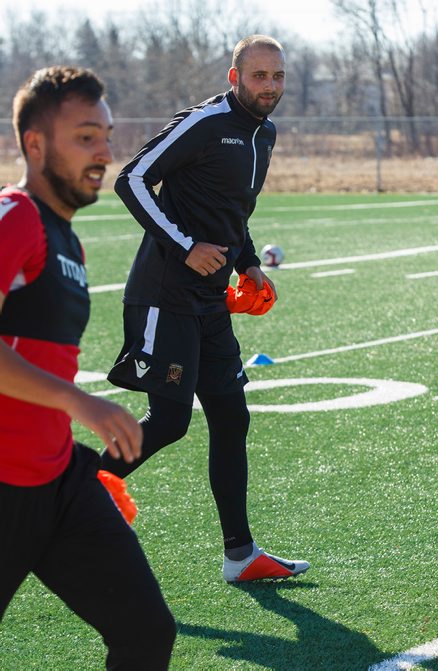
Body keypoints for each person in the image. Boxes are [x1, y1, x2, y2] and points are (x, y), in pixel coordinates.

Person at [102, 35, 310, 583]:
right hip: (164, 294)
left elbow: (233, 210)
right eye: (259, 75)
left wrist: (247, 262)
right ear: (233, 75)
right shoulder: (204, 122)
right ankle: (62, 493)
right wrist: (184, 245)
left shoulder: (263, 134)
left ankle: (240, 556)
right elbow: (132, 178)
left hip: (212, 300)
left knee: (230, 416)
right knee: (169, 421)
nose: (269, 86)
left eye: (277, 76)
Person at [0, 66, 176, 669]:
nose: (104, 152)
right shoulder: (15, 216)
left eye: (104, 134)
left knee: (146, 633)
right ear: (35, 144)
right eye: (84, 137)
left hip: (57, 485)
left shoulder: (65, 237)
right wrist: (83, 403)